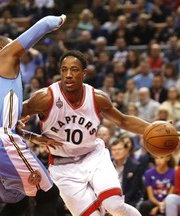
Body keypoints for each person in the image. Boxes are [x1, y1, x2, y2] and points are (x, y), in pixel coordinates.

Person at [21, 50, 153, 215]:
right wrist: (30, 136)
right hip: (63, 167)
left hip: (94, 157)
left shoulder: (97, 97)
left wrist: (153, 128)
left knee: (114, 205)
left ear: (84, 73)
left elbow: (123, 120)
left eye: (74, 69)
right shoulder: (45, 97)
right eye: (64, 69)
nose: (68, 74)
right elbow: (9, 117)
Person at [0, 14, 66, 216]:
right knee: (48, 194)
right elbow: (42, 25)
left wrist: (23, 129)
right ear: (0, 50)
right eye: (11, 46)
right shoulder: (2, 58)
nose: (17, 52)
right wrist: (58, 19)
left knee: (17, 202)